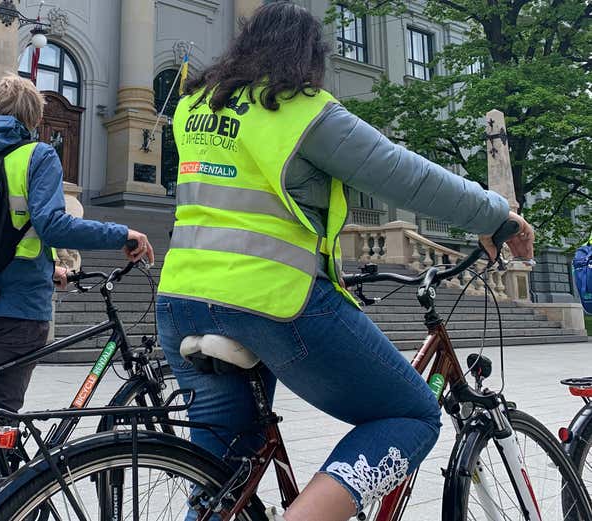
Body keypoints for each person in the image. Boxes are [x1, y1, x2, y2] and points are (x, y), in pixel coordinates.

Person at [155, 4, 534, 521]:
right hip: (271, 300)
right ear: (306, 57)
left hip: (181, 300)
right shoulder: (302, 112)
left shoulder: (194, 105)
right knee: (412, 413)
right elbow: (405, 175)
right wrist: (495, 215)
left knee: (221, 479)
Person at [0, 75, 154, 520]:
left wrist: (52, 270)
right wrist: (121, 232)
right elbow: (50, 224)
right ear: (35, 120)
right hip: (16, 310)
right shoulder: (37, 154)